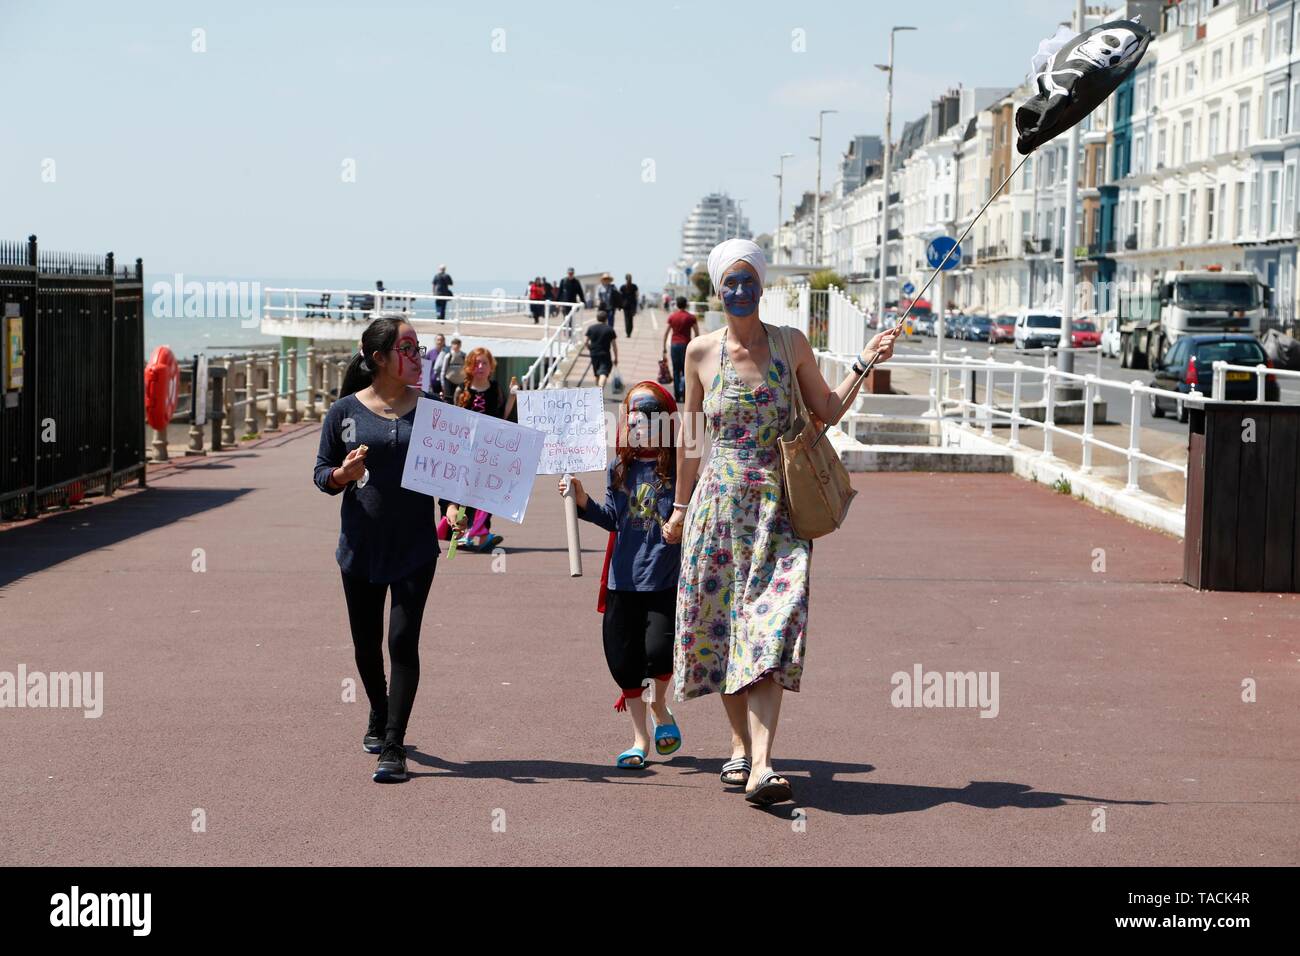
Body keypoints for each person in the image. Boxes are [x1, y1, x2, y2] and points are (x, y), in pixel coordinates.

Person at [663, 238, 899, 806]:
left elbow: (828, 410)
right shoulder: (698, 353)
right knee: (719, 632)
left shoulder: (791, 343)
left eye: (749, 281)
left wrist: (864, 363)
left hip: (779, 508)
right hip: (717, 509)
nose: (740, 291)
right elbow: (692, 440)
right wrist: (677, 507)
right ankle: (741, 748)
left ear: (761, 286)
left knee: (771, 628)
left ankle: (764, 765)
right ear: (718, 289)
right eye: (730, 282)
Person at [313, 316, 439, 784]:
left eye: (418, 347)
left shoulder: (433, 411)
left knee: (402, 641)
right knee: (366, 645)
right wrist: (342, 476)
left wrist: (462, 509)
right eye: (407, 348)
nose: (417, 356)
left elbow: (456, 471)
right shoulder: (344, 412)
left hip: (415, 549)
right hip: (360, 548)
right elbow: (321, 474)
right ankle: (378, 708)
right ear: (379, 358)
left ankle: (394, 742)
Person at [561, 381, 683, 768]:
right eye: (632, 416)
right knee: (622, 661)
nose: (637, 423)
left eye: (647, 416)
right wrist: (581, 500)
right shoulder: (619, 467)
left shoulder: (681, 467)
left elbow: (698, 516)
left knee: (660, 652)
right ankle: (639, 739)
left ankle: (659, 706)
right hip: (622, 580)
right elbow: (613, 518)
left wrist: (683, 523)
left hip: (664, 578)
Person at [446, 347, 518, 552]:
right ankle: (462, 533)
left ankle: (482, 533)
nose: (480, 367)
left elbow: (504, 417)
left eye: (484, 363)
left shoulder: (495, 389)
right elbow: (454, 421)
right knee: (463, 494)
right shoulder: (462, 389)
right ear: (469, 366)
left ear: (491, 367)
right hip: (466, 452)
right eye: (476, 363)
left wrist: (513, 397)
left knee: (486, 493)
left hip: (490, 452)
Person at [662, 296, 698, 402]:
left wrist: (664, 347)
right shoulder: (691, 317)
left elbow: (666, 333)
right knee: (686, 371)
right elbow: (697, 333)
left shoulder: (672, 317)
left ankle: (677, 395)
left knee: (676, 371)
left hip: (674, 345)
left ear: (677, 305)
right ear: (686, 304)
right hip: (686, 346)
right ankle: (685, 394)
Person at [584, 314, 618, 390]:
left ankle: (597, 390)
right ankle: (599, 389)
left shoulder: (591, 328)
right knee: (604, 372)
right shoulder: (609, 329)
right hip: (605, 354)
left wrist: (590, 348)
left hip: (594, 354)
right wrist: (616, 358)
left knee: (597, 374)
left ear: (597, 318)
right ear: (606, 319)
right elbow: (614, 346)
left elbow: (585, 342)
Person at [426, 333, 450, 399]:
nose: (439, 342)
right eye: (438, 340)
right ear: (435, 341)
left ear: (444, 341)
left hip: (445, 381)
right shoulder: (430, 353)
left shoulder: (448, 352)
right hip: (433, 381)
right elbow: (426, 368)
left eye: (441, 340)